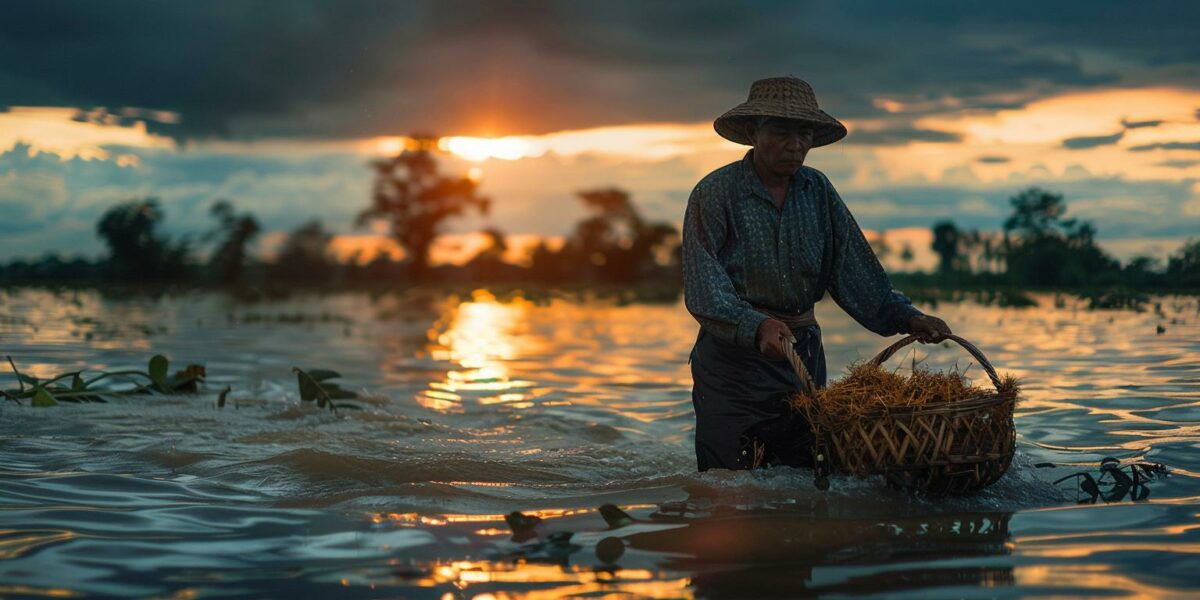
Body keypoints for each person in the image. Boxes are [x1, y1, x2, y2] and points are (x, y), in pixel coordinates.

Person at [682, 76, 952, 471]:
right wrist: (756, 326)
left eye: (804, 134)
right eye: (782, 132)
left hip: (801, 355)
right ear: (754, 132)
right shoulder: (715, 193)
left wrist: (906, 316)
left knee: (806, 473)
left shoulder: (817, 190)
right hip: (731, 368)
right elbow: (704, 286)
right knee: (727, 483)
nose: (796, 146)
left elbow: (856, 271)